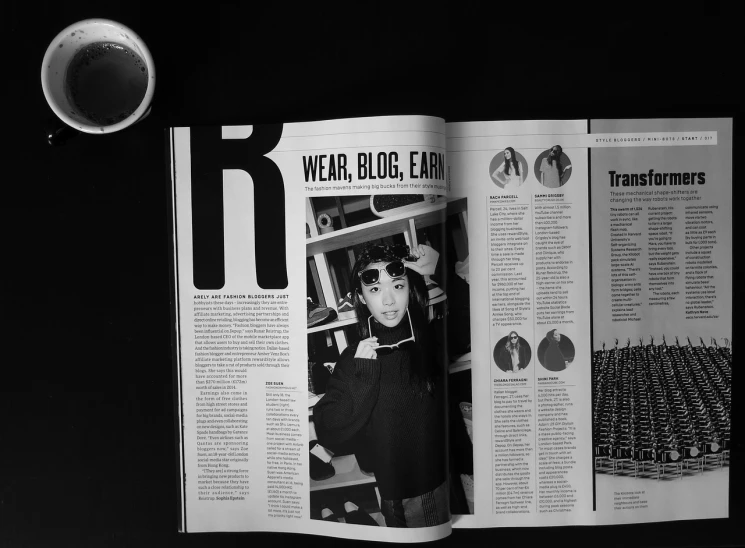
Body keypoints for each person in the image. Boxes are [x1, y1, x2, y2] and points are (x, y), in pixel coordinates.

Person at [313, 242, 449, 528]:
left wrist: (439, 270)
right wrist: (365, 376)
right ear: (361, 298)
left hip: (433, 488)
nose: (388, 300)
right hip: (390, 495)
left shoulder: (431, 341)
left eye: (397, 286)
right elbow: (328, 430)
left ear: (409, 288)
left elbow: (490, 317)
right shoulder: (356, 358)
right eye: (375, 290)